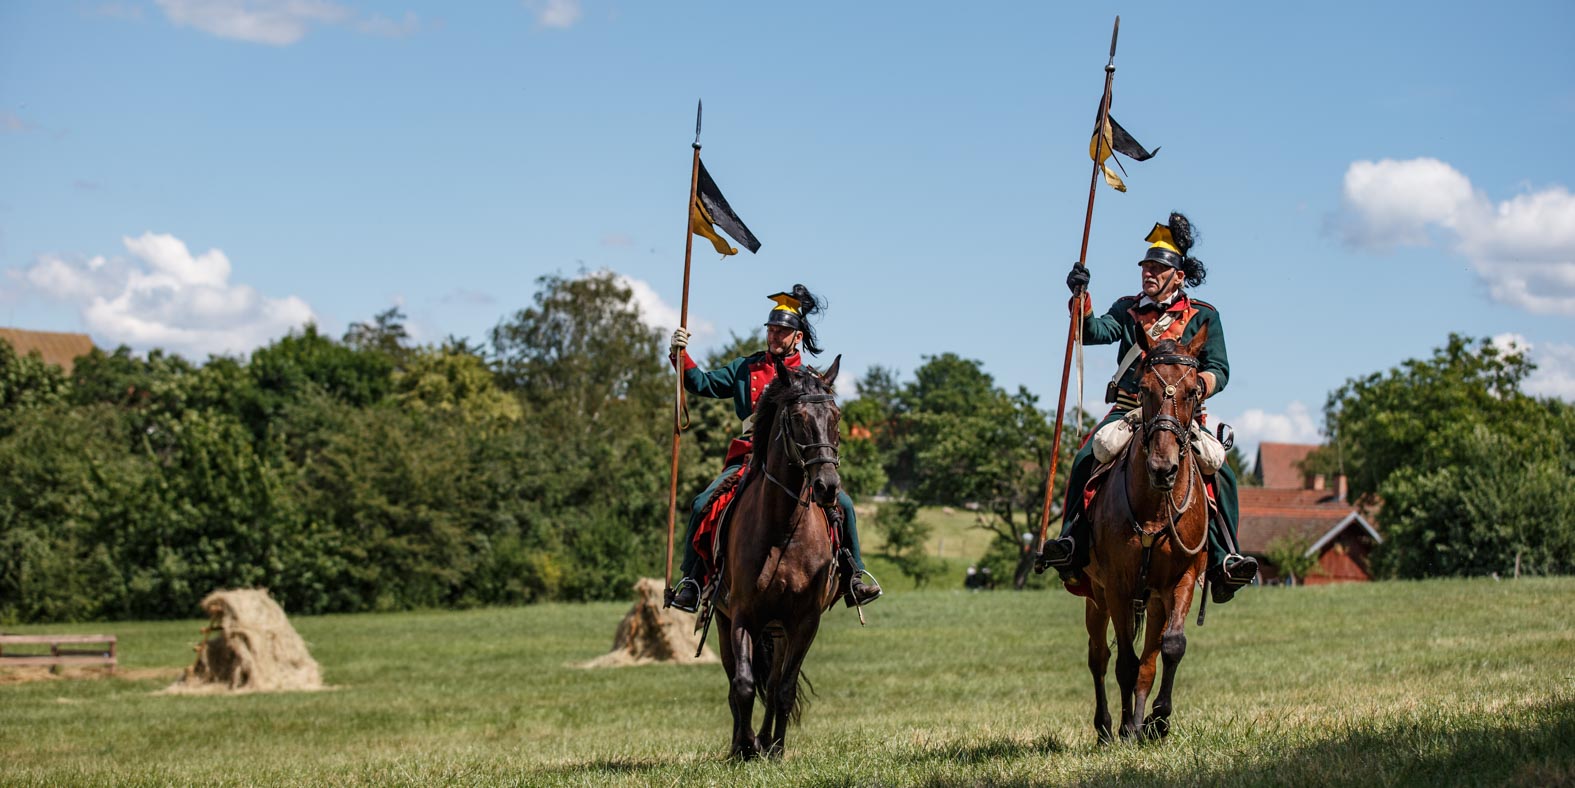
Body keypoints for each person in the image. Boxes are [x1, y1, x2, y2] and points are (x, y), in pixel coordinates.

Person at [1038, 213, 1259, 603]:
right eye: (1146, 267)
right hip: (1131, 409)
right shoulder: (1128, 309)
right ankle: (1072, 543)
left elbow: (1219, 369)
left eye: (1158, 268)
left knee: (1222, 472)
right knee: (1087, 458)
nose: (1149, 273)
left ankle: (1226, 558)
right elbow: (1092, 332)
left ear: (1179, 275)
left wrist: (1198, 387)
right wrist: (1081, 298)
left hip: (1182, 416)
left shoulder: (1203, 315)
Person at [667, 284, 881, 612]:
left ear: (798, 337)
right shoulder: (745, 368)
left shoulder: (809, 378)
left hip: (796, 464)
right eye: (771, 330)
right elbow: (703, 383)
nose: (774, 336)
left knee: (846, 506)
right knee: (701, 504)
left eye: (782, 331)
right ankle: (693, 582)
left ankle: (853, 576)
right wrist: (680, 355)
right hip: (749, 456)